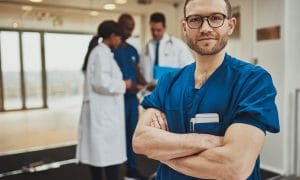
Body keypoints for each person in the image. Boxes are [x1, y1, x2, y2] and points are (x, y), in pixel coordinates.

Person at [133, 0, 280, 179]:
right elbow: (140, 141)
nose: (205, 28)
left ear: (230, 25)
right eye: (195, 20)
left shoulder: (253, 81)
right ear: (185, 27)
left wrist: (163, 153)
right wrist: (205, 140)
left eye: (215, 18)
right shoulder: (169, 82)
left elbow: (234, 167)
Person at [76, 20, 132, 180]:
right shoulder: (101, 53)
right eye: (119, 37)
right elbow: (101, 83)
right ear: (113, 36)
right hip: (103, 114)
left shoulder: (102, 53)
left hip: (102, 113)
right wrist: (124, 84)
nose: (120, 41)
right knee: (107, 155)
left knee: (101, 155)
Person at [113, 14, 148, 180]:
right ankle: (112, 170)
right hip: (115, 101)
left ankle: (131, 169)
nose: (129, 31)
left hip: (131, 100)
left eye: (132, 28)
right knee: (115, 136)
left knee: (132, 135)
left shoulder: (132, 50)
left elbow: (137, 72)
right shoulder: (111, 49)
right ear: (118, 26)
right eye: (127, 27)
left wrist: (147, 84)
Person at [140, 12, 194, 82]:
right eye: (152, 30)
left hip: (172, 88)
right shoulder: (147, 47)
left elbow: (190, 68)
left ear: (165, 27)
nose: (155, 33)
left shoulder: (178, 45)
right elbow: (142, 68)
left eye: (158, 30)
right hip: (151, 89)